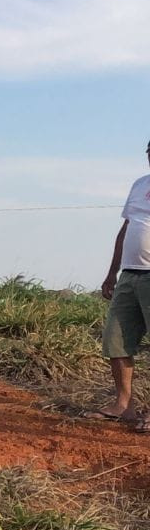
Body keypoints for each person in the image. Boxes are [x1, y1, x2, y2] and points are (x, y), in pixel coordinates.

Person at [91, 140, 150, 432]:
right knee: (116, 340)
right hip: (129, 274)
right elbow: (127, 228)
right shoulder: (140, 185)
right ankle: (123, 405)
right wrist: (111, 272)